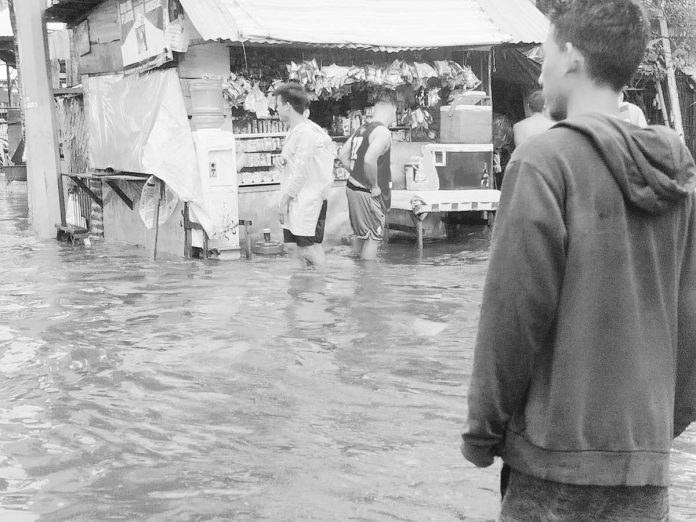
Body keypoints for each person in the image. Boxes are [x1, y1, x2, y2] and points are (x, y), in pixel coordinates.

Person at [462, 0, 696, 520]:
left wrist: (483, 430)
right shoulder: (679, 174)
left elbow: (512, 316)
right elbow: (691, 318)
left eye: (543, 55)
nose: (540, 73)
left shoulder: (543, 162)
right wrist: (657, 429)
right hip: (645, 468)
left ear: (570, 57)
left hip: (554, 469)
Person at [275, 83, 334, 268]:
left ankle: (320, 289)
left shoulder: (307, 132)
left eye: (277, 103)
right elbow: (295, 162)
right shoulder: (297, 131)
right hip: (297, 198)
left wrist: (284, 201)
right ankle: (299, 290)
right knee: (292, 247)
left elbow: (301, 171)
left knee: (308, 249)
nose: (275, 108)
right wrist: (281, 160)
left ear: (287, 106)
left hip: (308, 199)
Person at [338, 95, 396, 260]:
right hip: (367, 192)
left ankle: (358, 277)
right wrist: (373, 186)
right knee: (373, 238)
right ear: (392, 111)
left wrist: (356, 174)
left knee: (361, 235)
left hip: (352, 188)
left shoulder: (361, 129)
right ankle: (369, 282)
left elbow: (342, 154)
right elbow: (369, 160)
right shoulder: (383, 132)